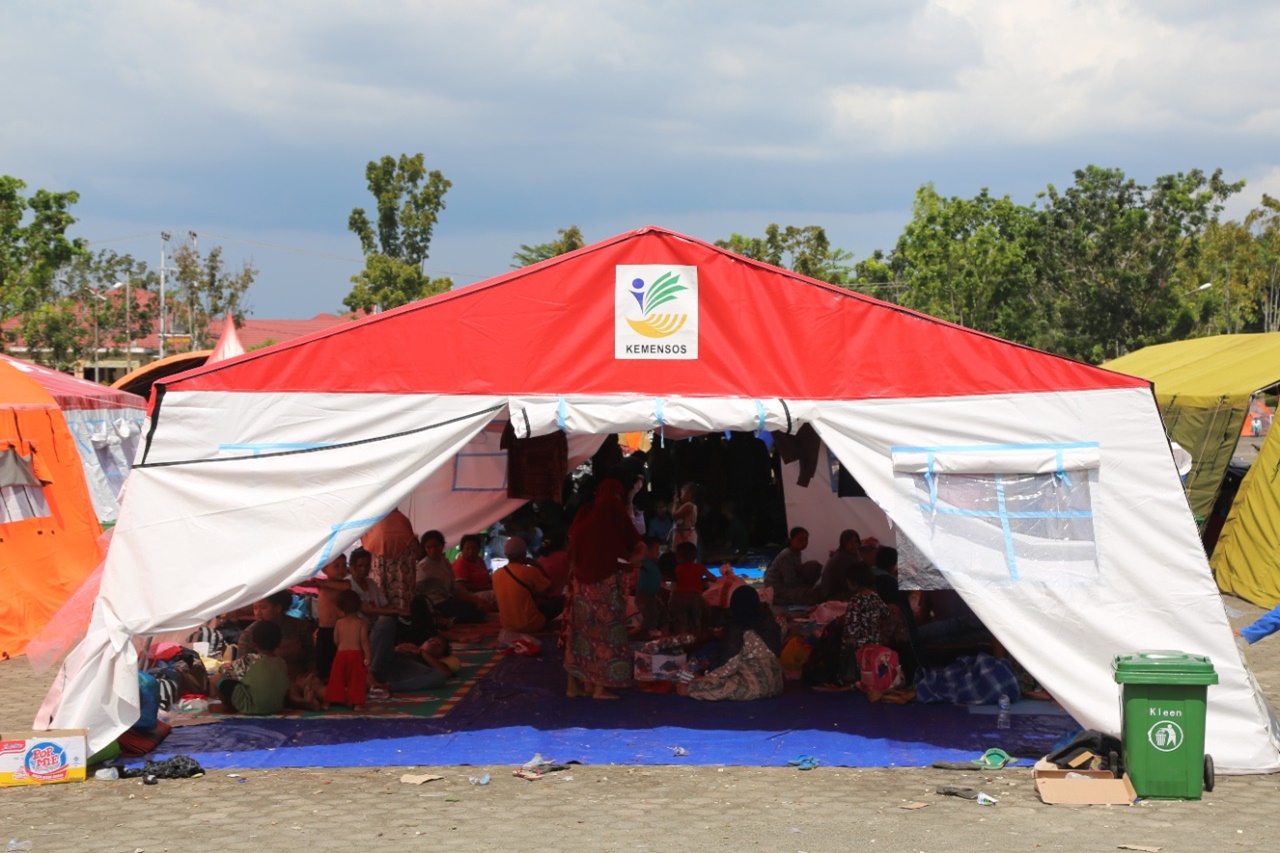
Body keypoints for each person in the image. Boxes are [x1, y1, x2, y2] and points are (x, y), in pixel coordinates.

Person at [564, 475, 642, 700]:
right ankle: (600, 687)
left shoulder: (584, 513)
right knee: (608, 634)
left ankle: (577, 685)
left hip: (579, 583)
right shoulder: (614, 511)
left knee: (579, 635)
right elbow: (632, 546)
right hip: (606, 583)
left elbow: (572, 549)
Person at [685, 586, 784, 702]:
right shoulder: (771, 626)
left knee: (697, 686)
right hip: (776, 685)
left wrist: (702, 677)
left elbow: (726, 668)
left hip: (754, 687)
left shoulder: (737, 629)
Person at [215, 621, 288, 715]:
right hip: (276, 708)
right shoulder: (281, 662)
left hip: (251, 707)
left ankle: (224, 706)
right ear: (279, 643)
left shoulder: (250, 660)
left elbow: (225, 671)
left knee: (217, 678)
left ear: (253, 644)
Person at [415, 530, 486, 623]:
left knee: (477, 609)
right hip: (433, 604)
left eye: (435, 546)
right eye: (429, 547)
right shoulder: (422, 567)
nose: (432, 550)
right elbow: (415, 588)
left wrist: (474, 599)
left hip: (445, 600)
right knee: (475, 614)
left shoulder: (444, 562)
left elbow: (454, 587)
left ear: (442, 546)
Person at [493, 536, 560, 633]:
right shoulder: (530, 571)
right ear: (524, 553)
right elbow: (551, 589)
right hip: (531, 624)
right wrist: (538, 565)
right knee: (563, 600)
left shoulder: (496, 574)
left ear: (506, 554)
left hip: (507, 625)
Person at [361, 509, 420, 617]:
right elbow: (415, 550)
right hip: (401, 578)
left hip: (381, 573)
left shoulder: (373, 523)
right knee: (402, 600)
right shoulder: (402, 521)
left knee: (380, 598)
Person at [324, 590, 371, 710]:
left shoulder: (339, 623)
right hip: (356, 654)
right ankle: (357, 703)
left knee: (336, 678)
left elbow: (336, 640)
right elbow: (364, 640)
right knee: (356, 679)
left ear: (340, 609)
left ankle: (330, 700)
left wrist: (342, 646)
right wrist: (367, 656)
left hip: (341, 654)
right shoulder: (362, 623)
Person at [312, 554, 350, 680]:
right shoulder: (321, 584)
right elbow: (305, 582)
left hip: (340, 629)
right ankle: (325, 684)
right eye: (336, 566)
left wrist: (321, 583)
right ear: (324, 569)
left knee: (340, 658)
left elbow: (346, 587)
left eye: (344, 566)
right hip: (324, 629)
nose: (341, 569)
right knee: (323, 660)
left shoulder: (344, 583)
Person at [669, 540, 715, 636]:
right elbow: (713, 578)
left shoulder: (677, 568)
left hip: (679, 596)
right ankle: (696, 640)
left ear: (679, 557)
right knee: (695, 621)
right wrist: (701, 580)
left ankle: (681, 640)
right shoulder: (700, 568)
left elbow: (674, 579)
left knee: (680, 621)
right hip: (695, 596)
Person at [764, 527, 817, 606]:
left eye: (806, 540)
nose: (803, 542)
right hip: (777, 589)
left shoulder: (797, 553)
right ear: (791, 540)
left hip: (787, 586)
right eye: (800, 540)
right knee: (812, 594)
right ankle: (778, 600)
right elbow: (790, 581)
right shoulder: (787, 555)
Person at [813, 529, 861, 602]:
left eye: (855, 541)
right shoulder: (845, 558)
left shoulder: (842, 554)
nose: (853, 545)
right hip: (833, 597)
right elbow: (850, 583)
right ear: (843, 543)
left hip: (828, 595)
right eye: (849, 542)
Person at [634, 535, 666, 636]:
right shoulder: (643, 562)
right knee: (651, 614)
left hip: (652, 595)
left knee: (662, 612)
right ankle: (645, 633)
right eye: (657, 550)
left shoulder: (654, 564)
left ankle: (663, 632)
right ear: (646, 551)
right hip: (644, 595)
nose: (658, 552)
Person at [453, 533, 494, 598]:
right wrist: (487, 587)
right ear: (462, 549)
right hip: (470, 596)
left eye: (474, 548)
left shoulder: (480, 560)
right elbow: (462, 587)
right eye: (467, 549)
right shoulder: (460, 563)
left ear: (478, 549)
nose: (471, 551)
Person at [670, 482, 699, 550]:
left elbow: (674, 515)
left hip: (685, 535)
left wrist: (675, 503)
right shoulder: (691, 506)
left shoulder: (688, 505)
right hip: (685, 533)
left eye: (682, 494)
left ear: (689, 494)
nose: (680, 497)